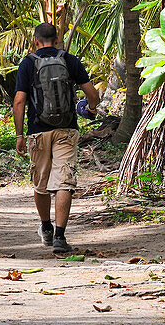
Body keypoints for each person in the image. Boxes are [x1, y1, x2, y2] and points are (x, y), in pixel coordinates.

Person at [13, 22, 100, 254]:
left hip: (37, 131)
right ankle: (61, 237)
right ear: (58, 38)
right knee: (64, 182)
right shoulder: (70, 61)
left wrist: (20, 135)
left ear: (35, 41)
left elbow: (19, 101)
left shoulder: (28, 64)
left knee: (41, 184)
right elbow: (92, 93)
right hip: (66, 130)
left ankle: (46, 228)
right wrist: (90, 109)